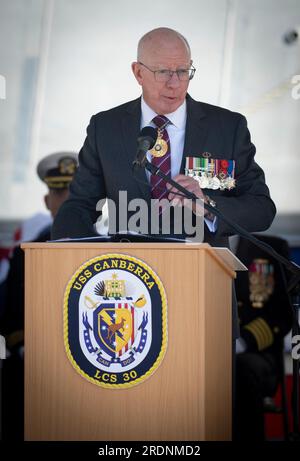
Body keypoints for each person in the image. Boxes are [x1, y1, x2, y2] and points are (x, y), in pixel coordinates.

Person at [51, 27, 276, 248]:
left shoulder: (226, 128)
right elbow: (79, 205)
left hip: (203, 277)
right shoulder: (106, 128)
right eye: (163, 72)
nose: (174, 83)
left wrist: (207, 205)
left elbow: (261, 208)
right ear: (138, 73)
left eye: (182, 71)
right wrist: (69, 253)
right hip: (129, 276)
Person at [0, 151, 77, 440]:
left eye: (77, 190)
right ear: (47, 202)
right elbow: (10, 322)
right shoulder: (26, 254)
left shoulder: (117, 247)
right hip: (40, 367)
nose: (68, 199)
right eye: (60, 192)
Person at [232, 234, 293, 440]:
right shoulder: (196, 244)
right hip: (208, 351)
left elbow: (282, 315)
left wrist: (243, 341)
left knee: (239, 369)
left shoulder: (270, 248)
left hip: (257, 354)